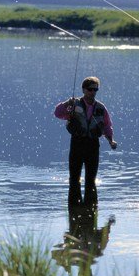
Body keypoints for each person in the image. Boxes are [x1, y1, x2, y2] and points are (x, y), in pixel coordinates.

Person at [54, 76, 117, 207]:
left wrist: (111, 140)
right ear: (83, 90)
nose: (93, 92)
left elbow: (106, 126)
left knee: (90, 181)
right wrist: (66, 103)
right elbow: (58, 113)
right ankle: (75, 212)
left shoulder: (101, 108)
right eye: (90, 89)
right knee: (74, 180)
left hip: (93, 146)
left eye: (95, 89)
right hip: (77, 143)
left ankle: (91, 210)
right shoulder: (73, 104)